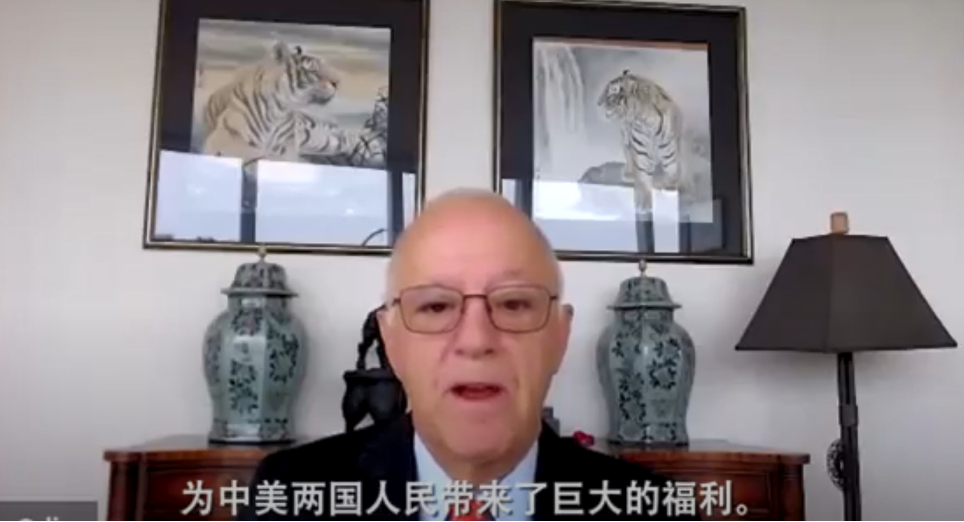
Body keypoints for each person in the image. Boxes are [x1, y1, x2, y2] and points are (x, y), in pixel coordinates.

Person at [239, 189, 699, 521]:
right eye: (436, 307)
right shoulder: (289, 495)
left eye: (514, 304)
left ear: (560, 337)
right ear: (391, 341)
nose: (476, 340)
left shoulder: (656, 511)